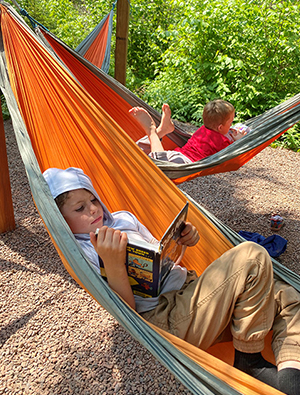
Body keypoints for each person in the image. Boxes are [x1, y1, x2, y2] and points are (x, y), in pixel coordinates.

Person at [43, 167, 300, 394]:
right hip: (165, 318)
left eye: (93, 199)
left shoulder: (123, 219)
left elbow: (159, 256)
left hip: (193, 292)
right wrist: (112, 264)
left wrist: (187, 240)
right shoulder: (83, 252)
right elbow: (126, 313)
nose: (92, 209)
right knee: (252, 255)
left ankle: (291, 372)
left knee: (285, 294)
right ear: (61, 220)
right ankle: (250, 361)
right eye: (79, 208)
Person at [131, 100, 248, 164]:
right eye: (230, 123)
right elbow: (231, 153)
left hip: (176, 154)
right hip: (185, 162)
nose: (232, 126)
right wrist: (239, 140)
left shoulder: (203, 130)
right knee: (159, 163)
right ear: (220, 127)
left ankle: (161, 130)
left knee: (135, 152)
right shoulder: (222, 141)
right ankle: (152, 131)